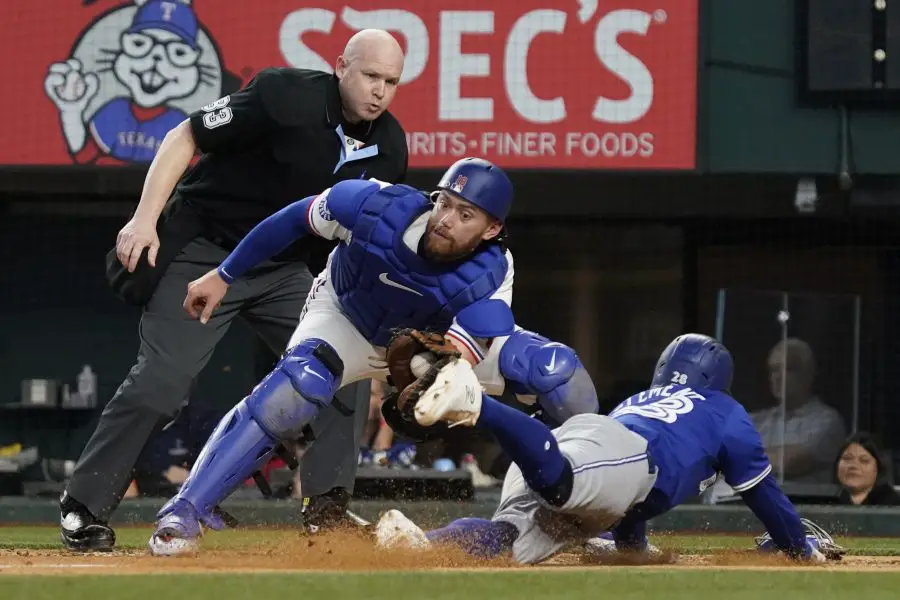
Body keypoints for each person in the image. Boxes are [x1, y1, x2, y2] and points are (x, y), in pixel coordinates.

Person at [60, 29, 409, 551]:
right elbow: (186, 136)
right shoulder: (283, 94)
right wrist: (143, 219)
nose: (380, 90)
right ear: (341, 66)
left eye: (392, 81)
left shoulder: (391, 147)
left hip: (284, 268)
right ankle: (83, 507)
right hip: (206, 250)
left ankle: (326, 507)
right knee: (163, 381)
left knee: (346, 365)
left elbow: (359, 242)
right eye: (371, 75)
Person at [147, 157, 599, 556]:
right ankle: (183, 512)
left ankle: (591, 513)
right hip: (347, 318)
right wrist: (224, 275)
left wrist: (433, 387)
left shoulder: (493, 270)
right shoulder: (372, 206)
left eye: (466, 215)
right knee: (294, 390)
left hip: (434, 339)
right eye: (444, 203)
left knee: (556, 373)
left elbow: (466, 346)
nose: (446, 219)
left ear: (492, 229)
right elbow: (291, 221)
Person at [375, 333, 839, 564]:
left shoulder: (642, 400)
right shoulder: (725, 411)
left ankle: (416, 546)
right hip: (605, 456)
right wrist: (801, 547)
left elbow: (624, 498)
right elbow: (765, 495)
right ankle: (476, 400)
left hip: (576, 447)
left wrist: (634, 549)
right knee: (561, 486)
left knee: (507, 538)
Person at [835, 432, 900, 506]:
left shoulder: (894, 506)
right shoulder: (829, 501)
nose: (853, 465)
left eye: (864, 460)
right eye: (847, 458)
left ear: (878, 468)